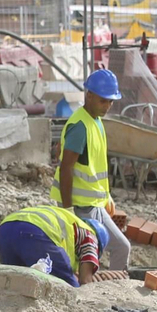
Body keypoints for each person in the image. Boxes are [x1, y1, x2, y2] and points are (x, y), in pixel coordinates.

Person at [53, 68, 130, 271]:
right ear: (89, 95)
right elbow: (66, 168)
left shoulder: (95, 121)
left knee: (122, 247)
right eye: (103, 100)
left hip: (94, 205)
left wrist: (106, 197)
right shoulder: (79, 125)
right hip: (79, 208)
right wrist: (68, 210)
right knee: (83, 262)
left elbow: (95, 166)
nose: (107, 106)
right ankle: (84, 297)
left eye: (111, 101)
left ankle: (117, 293)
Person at [0, 204, 103, 287]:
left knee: (13, 283)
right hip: (35, 232)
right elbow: (85, 281)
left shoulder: (70, 220)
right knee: (69, 288)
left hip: (5, 229)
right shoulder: (91, 235)